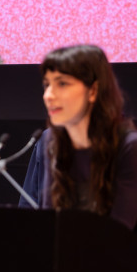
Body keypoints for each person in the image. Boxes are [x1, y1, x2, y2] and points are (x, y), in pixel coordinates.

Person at [36, 44, 137, 230]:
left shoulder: (128, 146)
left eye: (62, 83)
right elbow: (51, 224)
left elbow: (119, 232)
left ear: (93, 91)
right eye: (47, 84)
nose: (48, 95)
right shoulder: (54, 143)